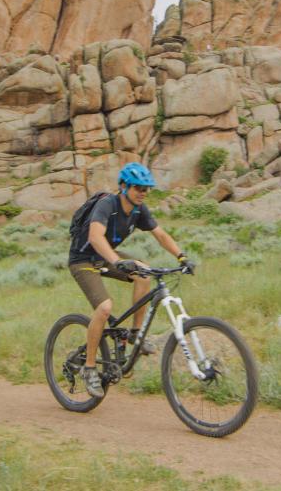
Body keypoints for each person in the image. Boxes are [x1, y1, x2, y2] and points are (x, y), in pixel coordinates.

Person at [67, 162, 195, 398]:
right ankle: (90, 368)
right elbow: (95, 237)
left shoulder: (139, 209)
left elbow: (161, 235)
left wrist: (181, 256)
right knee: (104, 307)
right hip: (83, 260)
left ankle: (136, 334)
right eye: (138, 188)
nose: (143, 193)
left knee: (144, 273)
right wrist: (116, 261)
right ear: (124, 186)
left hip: (107, 257)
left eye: (146, 189)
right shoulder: (107, 205)